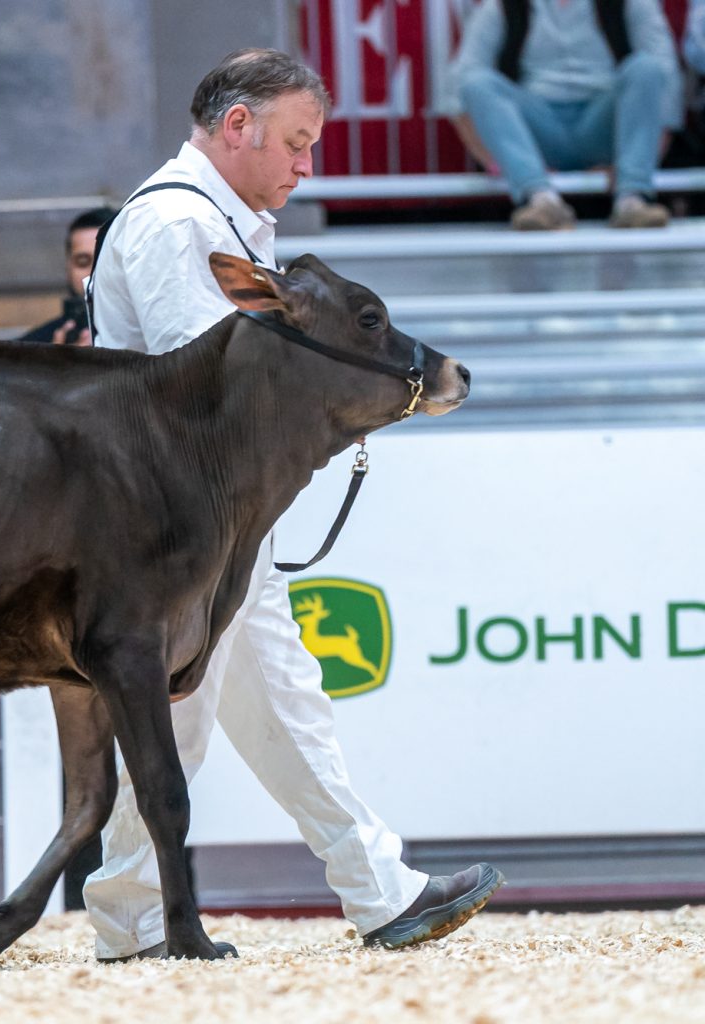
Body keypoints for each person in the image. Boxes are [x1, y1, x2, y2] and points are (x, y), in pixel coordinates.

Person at [82, 47, 504, 962]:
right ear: (237, 126)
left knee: (282, 704)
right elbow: (207, 383)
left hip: (217, 518)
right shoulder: (177, 223)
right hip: (178, 526)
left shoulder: (221, 220)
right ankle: (134, 918)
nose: (306, 166)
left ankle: (377, 892)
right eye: (297, 142)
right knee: (184, 724)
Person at [447, 0, 682, 230]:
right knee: (477, 82)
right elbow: (458, 88)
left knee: (646, 68)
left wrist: (637, 164)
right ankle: (540, 200)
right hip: (537, 132)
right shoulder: (502, 5)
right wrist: (501, 164)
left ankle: (632, 200)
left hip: (602, 127)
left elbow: (666, 81)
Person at [18, 206, 116, 346]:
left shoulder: (147, 337)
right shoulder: (29, 349)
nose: (94, 273)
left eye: (105, 260)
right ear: (68, 268)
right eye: (83, 262)